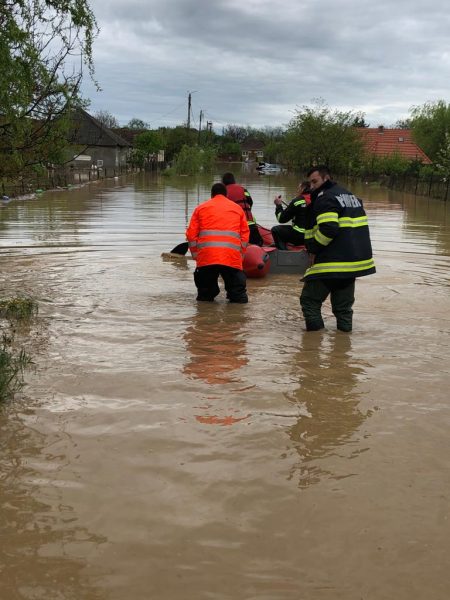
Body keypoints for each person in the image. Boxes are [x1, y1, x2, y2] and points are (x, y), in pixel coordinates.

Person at [300, 165, 376, 332]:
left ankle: (312, 347)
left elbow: (329, 228)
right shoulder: (351, 196)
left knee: (310, 301)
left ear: (326, 178)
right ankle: (342, 348)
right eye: (310, 182)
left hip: (331, 261)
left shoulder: (325, 198)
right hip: (353, 263)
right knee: (343, 309)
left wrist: (313, 249)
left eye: (315, 181)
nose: (311, 186)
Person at [186, 182, 250, 303]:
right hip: (231, 258)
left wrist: (195, 254)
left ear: (212, 195)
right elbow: (245, 234)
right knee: (238, 297)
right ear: (226, 195)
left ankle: (206, 318)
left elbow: (191, 234)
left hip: (207, 258)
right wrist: (240, 255)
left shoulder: (201, 208)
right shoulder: (237, 209)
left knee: (205, 297)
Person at [222, 172, 263, 246]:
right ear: (234, 181)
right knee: (259, 243)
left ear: (223, 183)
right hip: (251, 225)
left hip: (237, 228)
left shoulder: (223, 192)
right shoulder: (243, 189)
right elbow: (250, 202)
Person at [271, 181, 311, 249]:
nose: (298, 191)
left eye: (299, 188)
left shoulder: (297, 201)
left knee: (276, 230)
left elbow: (281, 219)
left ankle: (283, 253)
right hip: (313, 236)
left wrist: (278, 205)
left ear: (303, 188)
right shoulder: (317, 199)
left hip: (300, 236)